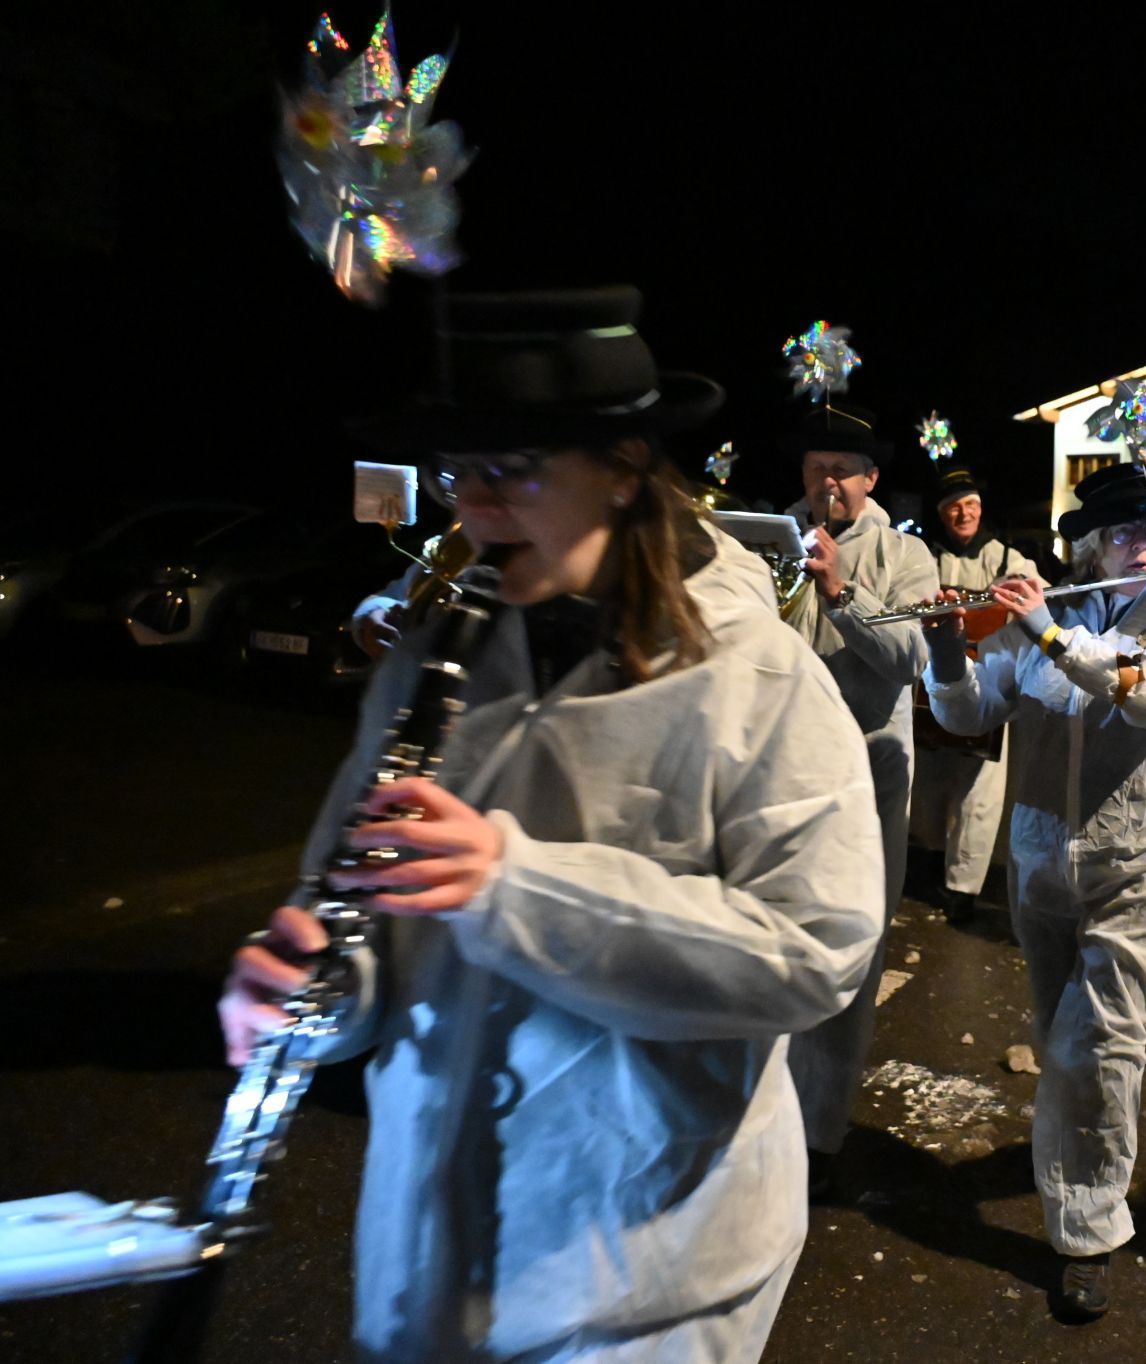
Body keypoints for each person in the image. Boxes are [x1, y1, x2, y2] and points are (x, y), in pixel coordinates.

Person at [217, 288, 885, 1363]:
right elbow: (359, 911)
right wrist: (312, 989)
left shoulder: (759, 673)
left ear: (623, 465)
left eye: (509, 468)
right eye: (452, 472)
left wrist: (516, 887)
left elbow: (813, 951)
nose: (470, 509)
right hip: (426, 1269)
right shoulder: (431, 658)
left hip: (647, 1278)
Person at [922, 461, 1146, 1321]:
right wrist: (948, 647)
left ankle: (1089, 1232)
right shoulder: (1030, 618)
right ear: (1088, 548)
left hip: (1145, 864)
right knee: (1059, 1040)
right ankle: (1073, 1167)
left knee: (1099, 1050)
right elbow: (969, 717)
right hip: (1043, 863)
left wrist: (1052, 633)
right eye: (1128, 533)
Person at [776, 401, 941, 1192]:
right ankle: (758, 1117)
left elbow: (911, 656)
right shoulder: (769, 539)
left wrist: (843, 592)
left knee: (850, 953)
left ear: (871, 479)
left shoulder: (907, 555)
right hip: (776, 771)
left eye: (842, 471)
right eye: (815, 469)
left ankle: (818, 1136)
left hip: (868, 773)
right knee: (766, 939)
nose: (827, 482)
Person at [909, 466, 1030, 924]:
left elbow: (1033, 604)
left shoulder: (1008, 559)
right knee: (930, 782)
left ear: (982, 509)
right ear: (943, 514)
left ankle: (963, 887)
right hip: (934, 685)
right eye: (954, 507)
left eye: (971, 505)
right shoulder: (924, 558)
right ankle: (928, 860)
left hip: (990, 686)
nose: (964, 513)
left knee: (977, 795)